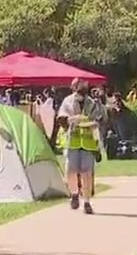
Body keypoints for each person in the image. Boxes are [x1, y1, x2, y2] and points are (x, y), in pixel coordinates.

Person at [57, 79, 103, 215]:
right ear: (73, 87)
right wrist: (71, 119)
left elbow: (98, 120)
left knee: (87, 173)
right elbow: (62, 118)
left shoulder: (92, 103)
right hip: (72, 141)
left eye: (84, 87)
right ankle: (74, 194)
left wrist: (92, 124)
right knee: (70, 171)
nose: (81, 90)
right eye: (79, 87)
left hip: (88, 143)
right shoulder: (68, 101)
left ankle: (87, 202)